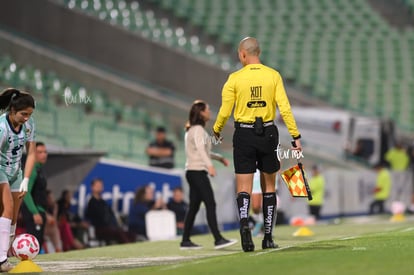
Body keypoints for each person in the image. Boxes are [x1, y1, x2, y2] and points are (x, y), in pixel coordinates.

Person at [212, 37, 302, 252]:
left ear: (243, 54)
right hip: (268, 133)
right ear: (257, 52)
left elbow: (225, 110)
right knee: (268, 187)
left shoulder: (234, 78)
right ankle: (268, 237)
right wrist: (295, 135)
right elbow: (285, 108)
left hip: (243, 133)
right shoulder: (273, 75)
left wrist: (216, 130)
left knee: (243, 187)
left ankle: (244, 223)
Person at [180, 99, 237, 250]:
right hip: (198, 172)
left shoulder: (192, 129)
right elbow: (200, 149)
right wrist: (210, 166)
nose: (210, 112)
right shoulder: (198, 129)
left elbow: (203, 151)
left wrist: (218, 158)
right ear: (201, 113)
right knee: (210, 203)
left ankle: (185, 240)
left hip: (192, 172)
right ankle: (218, 239)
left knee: (193, 207)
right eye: (207, 109)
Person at [0, 88, 36, 272]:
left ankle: (5, 251)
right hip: (0, 169)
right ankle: (1, 260)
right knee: (7, 208)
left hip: (16, 172)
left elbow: (31, 153)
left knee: (13, 218)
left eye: (30, 114)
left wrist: (26, 179)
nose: (27, 118)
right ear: (12, 111)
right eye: (23, 114)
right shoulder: (1, 128)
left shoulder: (29, 126)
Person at [85, 178, 135, 244]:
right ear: (92, 187)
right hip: (100, 229)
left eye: (101, 186)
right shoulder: (92, 203)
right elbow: (94, 218)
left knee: (130, 234)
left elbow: (111, 214)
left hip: (110, 227)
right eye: (97, 186)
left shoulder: (103, 202)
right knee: (119, 233)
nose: (99, 188)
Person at [21, 142, 49, 252]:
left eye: (45, 152)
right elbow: (25, 192)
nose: (44, 155)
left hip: (39, 210)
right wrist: (35, 212)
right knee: (34, 242)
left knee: (38, 242)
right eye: (40, 152)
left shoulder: (39, 169)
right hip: (34, 211)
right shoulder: (32, 169)